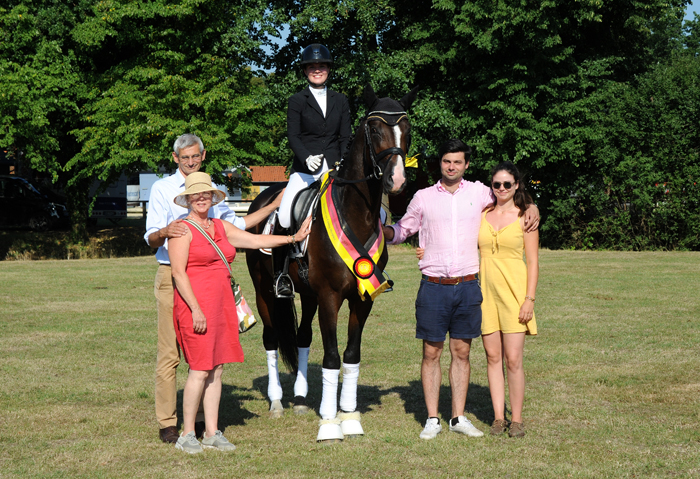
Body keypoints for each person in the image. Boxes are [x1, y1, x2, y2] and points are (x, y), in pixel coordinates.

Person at [382, 139, 539, 440]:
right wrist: (380, 232)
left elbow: (510, 199)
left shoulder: (480, 193)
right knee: (431, 352)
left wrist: (532, 206)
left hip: (468, 287)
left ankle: (458, 417)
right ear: (440, 163)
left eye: (457, 162)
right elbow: (403, 230)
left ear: (466, 165)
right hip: (433, 286)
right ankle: (432, 419)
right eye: (446, 161)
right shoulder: (423, 197)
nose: (451, 167)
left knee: (462, 352)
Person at [144, 133, 280, 444]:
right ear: (176, 158)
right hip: (172, 274)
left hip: (212, 280)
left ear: (202, 156)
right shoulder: (163, 189)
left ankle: (206, 422)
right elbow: (150, 236)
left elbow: (239, 228)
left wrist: (273, 205)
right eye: (184, 157)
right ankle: (169, 423)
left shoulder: (208, 188)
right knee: (170, 353)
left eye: (195, 156)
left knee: (209, 355)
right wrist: (165, 231)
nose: (190, 161)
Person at [168, 172, 311, 453]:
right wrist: (195, 309)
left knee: (217, 369)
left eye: (205, 194)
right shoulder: (181, 229)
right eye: (195, 194)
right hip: (194, 305)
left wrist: (293, 237)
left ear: (212, 197)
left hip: (222, 305)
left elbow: (255, 241)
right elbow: (178, 274)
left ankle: (211, 432)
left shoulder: (220, 227)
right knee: (199, 369)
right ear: (187, 199)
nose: (200, 198)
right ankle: (187, 434)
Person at [274, 43, 352, 297]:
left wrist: (339, 161)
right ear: (305, 70)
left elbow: (345, 135)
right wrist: (306, 158)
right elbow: (293, 135)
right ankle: (281, 274)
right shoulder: (297, 100)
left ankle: (369, 267)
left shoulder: (340, 100)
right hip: (305, 170)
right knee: (285, 215)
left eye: (321, 66)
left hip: (334, 169)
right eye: (311, 67)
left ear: (328, 69)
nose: (317, 70)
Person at [479, 162, 538, 438]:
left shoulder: (526, 216)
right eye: (496, 184)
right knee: (493, 357)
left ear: (516, 186)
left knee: (513, 359)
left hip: (515, 295)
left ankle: (517, 419)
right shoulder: (482, 213)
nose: (501, 189)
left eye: (507, 184)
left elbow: (534, 262)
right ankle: (498, 418)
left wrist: (530, 299)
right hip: (485, 296)